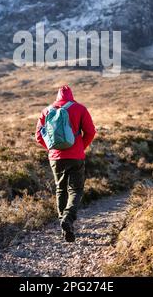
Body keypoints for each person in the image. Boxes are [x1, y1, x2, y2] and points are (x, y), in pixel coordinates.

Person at [35, 85, 96, 242]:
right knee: (75, 189)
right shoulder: (80, 109)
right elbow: (90, 132)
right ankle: (68, 219)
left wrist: (52, 149)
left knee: (60, 189)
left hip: (56, 158)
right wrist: (80, 147)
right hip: (76, 156)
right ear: (71, 95)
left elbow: (38, 136)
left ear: (57, 96)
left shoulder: (46, 111)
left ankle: (64, 226)